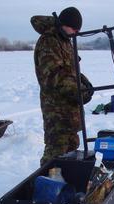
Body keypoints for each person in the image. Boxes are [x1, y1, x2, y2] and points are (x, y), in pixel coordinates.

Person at [31, 7, 93, 166]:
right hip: (57, 111)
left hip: (70, 110)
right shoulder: (49, 41)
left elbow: (71, 71)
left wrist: (84, 82)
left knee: (72, 151)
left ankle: (67, 184)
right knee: (56, 153)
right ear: (64, 24)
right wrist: (79, 90)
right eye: (74, 28)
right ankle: (45, 183)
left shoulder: (65, 41)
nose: (76, 32)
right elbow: (54, 76)